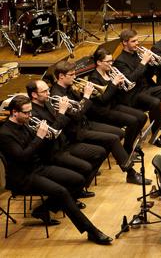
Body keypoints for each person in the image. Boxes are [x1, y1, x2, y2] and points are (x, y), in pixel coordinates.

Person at [0, 95, 113, 245]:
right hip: (23, 177)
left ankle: (44, 209)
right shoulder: (5, 134)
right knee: (62, 192)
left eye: (30, 112)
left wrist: (45, 135)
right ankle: (91, 231)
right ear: (14, 112)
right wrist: (39, 137)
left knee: (78, 180)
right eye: (26, 113)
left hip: (38, 168)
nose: (30, 116)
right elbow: (22, 157)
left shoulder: (25, 123)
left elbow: (37, 147)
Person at [113, 29, 161, 138]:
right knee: (155, 102)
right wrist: (143, 62)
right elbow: (130, 80)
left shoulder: (137, 54)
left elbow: (148, 75)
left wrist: (150, 64)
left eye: (137, 40)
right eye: (133, 41)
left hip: (148, 88)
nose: (137, 43)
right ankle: (156, 134)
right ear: (124, 43)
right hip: (134, 95)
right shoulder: (120, 61)